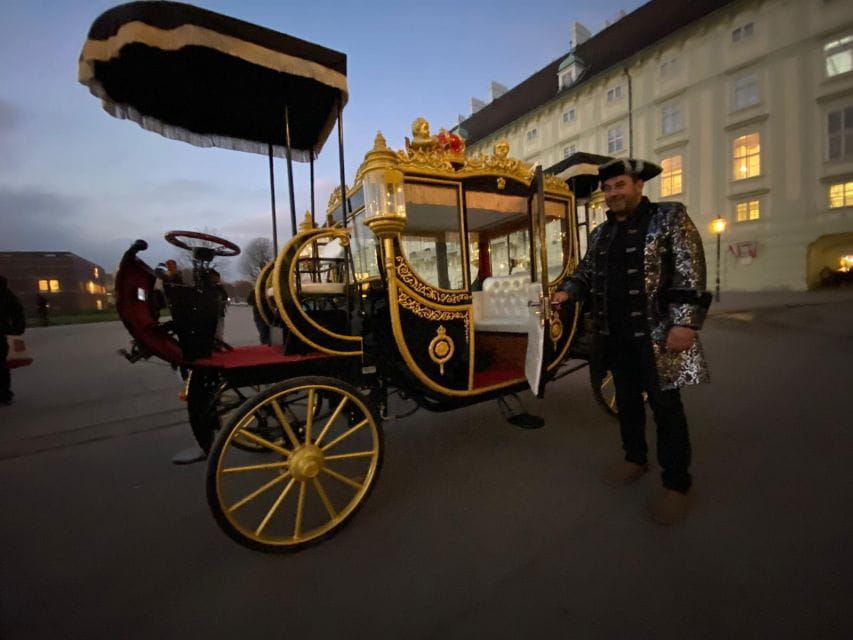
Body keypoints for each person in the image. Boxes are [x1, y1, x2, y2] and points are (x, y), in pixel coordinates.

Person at [552, 158, 711, 525]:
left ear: (638, 185)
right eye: (607, 189)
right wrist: (567, 293)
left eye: (619, 185)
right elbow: (585, 274)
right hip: (615, 336)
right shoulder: (600, 235)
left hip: (658, 335)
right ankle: (634, 459)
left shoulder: (669, 218)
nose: (612, 194)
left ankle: (676, 484)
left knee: (666, 408)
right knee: (627, 402)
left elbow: (690, 268)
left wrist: (685, 323)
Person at [0, 275, 26, 406]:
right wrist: (17, 329)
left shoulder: (7, 296)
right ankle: (4, 393)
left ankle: (4, 393)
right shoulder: (7, 295)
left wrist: (17, 329)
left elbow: (16, 312)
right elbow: (17, 312)